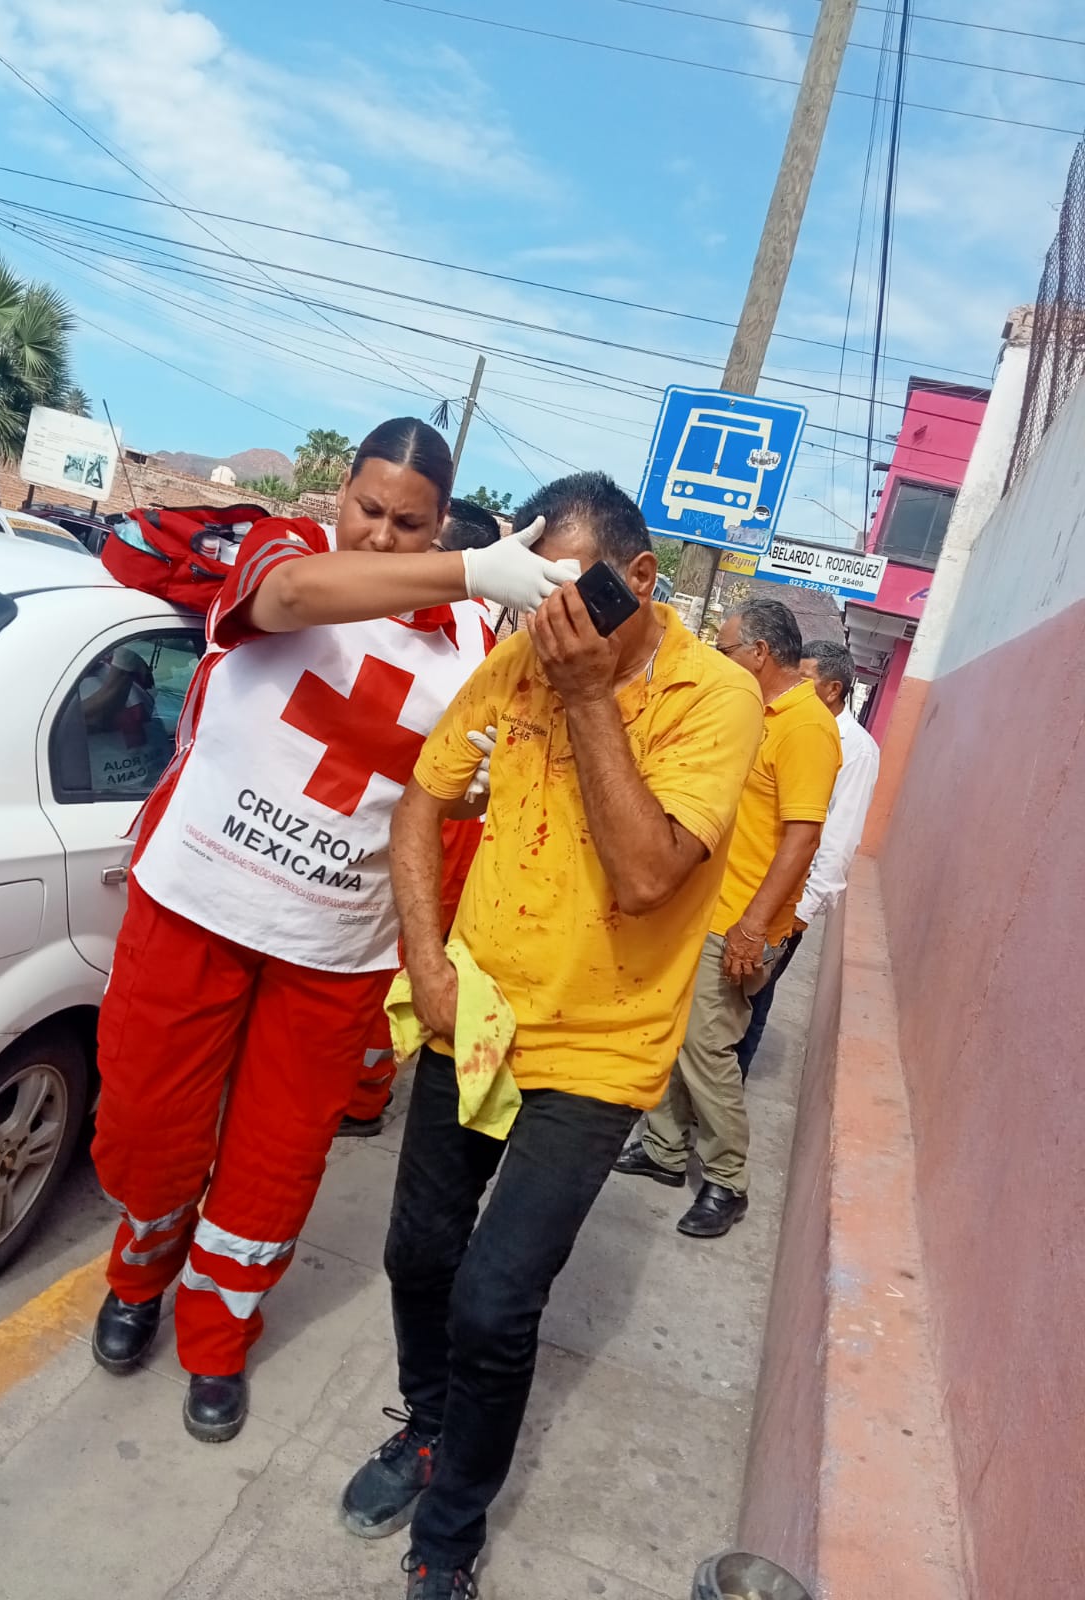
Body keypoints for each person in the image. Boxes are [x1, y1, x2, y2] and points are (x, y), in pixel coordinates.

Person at [88, 417, 577, 1444]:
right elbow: (288, 605)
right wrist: (463, 568)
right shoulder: (291, 553)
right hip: (196, 903)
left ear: (438, 518)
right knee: (146, 1127)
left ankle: (217, 1340)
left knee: (274, 1163)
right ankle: (137, 1277)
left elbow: (472, 786)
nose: (384, 535)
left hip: (334, 944)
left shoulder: (479, 646)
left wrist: (474, 787)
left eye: (410, 522)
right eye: (369, 508)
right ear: (339, 496)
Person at [339, 472, 764, 1598]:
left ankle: (452, 1533)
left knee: (493, 1300)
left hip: (603, 1046)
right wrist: (426, 963)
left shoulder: (715, 698)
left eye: (580, 602)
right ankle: (427, 1428)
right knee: (418, 1253)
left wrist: (585, 695)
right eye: (541, 603)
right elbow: (424, 801)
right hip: (477, 1007)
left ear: (640, 580)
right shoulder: (522, 655)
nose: (556, 626)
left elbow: (643, 874)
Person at [614, 599, 841, 1238]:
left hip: (738, 919)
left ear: (761, 654)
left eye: (727, 647)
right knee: (677, 1033)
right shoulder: (755, 712)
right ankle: (663, 1149)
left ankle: (728, 1179)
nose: (720, 657)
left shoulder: (804, 728)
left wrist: (751, 926)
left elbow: (802, 838)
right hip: (703, 906)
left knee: (708, 1049)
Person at [336, 500, 500, 1138]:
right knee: (403, 958)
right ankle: (367, 1090)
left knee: (395, 958)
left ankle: (363, 1094)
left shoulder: (454, 637)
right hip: (449, 828)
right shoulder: (481, 639)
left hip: (432, 824)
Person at [735, 638, 880, 1078]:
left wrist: (802, 912)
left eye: (806, 678)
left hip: (789, 901)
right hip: (750, 883)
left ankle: (719, 1110)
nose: (795, 683)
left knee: (752, 999)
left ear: (832, 690)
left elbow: (837, 840)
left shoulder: (856, 749)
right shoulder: (787, 724)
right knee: (724, 1001)